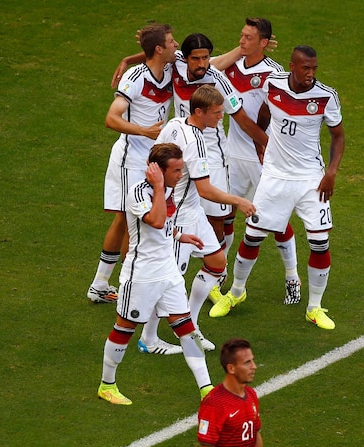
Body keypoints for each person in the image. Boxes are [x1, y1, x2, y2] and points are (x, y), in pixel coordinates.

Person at [112, 32, 268, 292]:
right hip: (182, 150)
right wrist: (129, 59)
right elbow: (158, 53)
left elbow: (240, 117)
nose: (201, 64)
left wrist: (266, 145)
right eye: (196, 58)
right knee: (172, 209)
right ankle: (155, 274)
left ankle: (213, 282)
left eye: (206, 58)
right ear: (186, 58)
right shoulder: (176, 65)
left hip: (213, 157)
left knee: (217, 217)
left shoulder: (218, 79)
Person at [210, 45, 345, 330]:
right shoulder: (274, 83)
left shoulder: (326, 96)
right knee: (252, 237)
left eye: (314, 69)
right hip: (274, 177)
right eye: (305, 68)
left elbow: (338, 136)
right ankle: (235, 293)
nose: (310, 74)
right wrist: (261, 143)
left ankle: (314, 307)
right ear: (292, 66)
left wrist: (331, 172)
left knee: (320, 243)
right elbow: (263, 111)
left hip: (311, 179)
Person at [139, 86, 257, 355]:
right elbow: (205, 189)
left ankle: (189, 326)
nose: (220, 118)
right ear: (199, 112)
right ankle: (148, 338)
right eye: (216, 113)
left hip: (192, 211)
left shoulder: (174, 123)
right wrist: (239, 201)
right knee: (170, 280)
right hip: (179, 217)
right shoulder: (195, 143)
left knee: (217, 263)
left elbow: (153, 159)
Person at [97, 143, 214, 405]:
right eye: (175, 170)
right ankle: (107, 384)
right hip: (141, 275)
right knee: (124, 328)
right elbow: (157, 220)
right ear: (158, 171)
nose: (181, 174)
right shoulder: (139, 193)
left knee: (186, 327)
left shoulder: (169, 191)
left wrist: (181, 235)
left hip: (168, 272)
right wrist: (160, 187)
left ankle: (207, 387)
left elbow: (165, 226)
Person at [88, 24, 177, 304]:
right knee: (132, 222)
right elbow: (111, 118)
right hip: (132, 159)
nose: (177, 46)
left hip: (152, 158)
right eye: (171, 42)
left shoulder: (171, 66)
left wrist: (130, 56)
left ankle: (102, 284)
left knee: (125, 220)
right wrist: (145, 131)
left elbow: (200, 56)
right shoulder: (136, 78)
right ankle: (127, 285)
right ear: (159, 49)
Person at [217, 17, 302, 305]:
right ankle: (221, 272)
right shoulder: (230, 65)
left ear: (264, 43)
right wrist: (240, 50)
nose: (242, 41)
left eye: (248, 38)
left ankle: (292, 277)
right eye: (240, 35)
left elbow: (283, 112)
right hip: (231, 155)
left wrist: (270, 144)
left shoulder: (274, 73)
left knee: (275, 221)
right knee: (225, 215)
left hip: (263, 158)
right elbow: (203, 65)